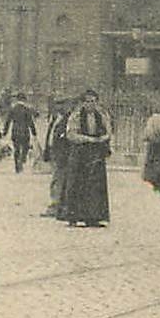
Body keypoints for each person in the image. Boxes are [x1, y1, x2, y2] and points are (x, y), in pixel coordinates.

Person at [60, 89, 111, 226]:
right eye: (87, 101)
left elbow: (108, 131)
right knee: (77, 183)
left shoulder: (101, 116)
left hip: (95, 153)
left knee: (95, 186)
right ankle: (73, 216)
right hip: (80, 152)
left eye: (93, 101)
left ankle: (93, 217)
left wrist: (102, 138)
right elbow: (71, 134)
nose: (90, 104)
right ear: (83, 103)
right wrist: (88, 139)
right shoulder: (76, 116)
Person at [42, 96, 72, 217]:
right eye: (57, 104)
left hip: (61, 155)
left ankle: (57, 205)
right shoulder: (54, 118)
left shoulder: (68, 120)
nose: (59, 107)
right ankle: (57, 205)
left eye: (62, 104)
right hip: (53, 152)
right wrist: (46, 150)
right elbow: (49, 135)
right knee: (56, 179)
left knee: (59, 180)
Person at [4, 92, 38, 173]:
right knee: (25, 147)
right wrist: (34, 132)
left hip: (15, 131)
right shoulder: (26, 110)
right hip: (25, 131)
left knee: (16, 148)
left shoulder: (13, 109)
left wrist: (5, 131)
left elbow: (8, 121)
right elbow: (30, 121)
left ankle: (17, 165)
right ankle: (22, 159)